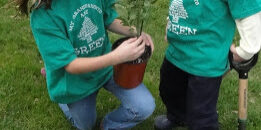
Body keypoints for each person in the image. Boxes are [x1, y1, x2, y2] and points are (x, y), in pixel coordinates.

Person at [17, 0, 155, 130]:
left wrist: (136, 32)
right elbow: (71, 65)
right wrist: (117, 57)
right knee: (86, 125)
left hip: (106, 69)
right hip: (75, 82)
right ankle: (60, 91)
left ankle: (109, 125)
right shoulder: (44, 15)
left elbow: (108, 18)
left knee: (144, 106)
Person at [154, 0, 261, 130]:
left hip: (206, 59)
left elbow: (248, 10)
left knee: (201, 113)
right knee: (169, 91)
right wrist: (171, 23)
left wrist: (246, 50)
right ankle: (178, 117)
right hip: (177, 53)